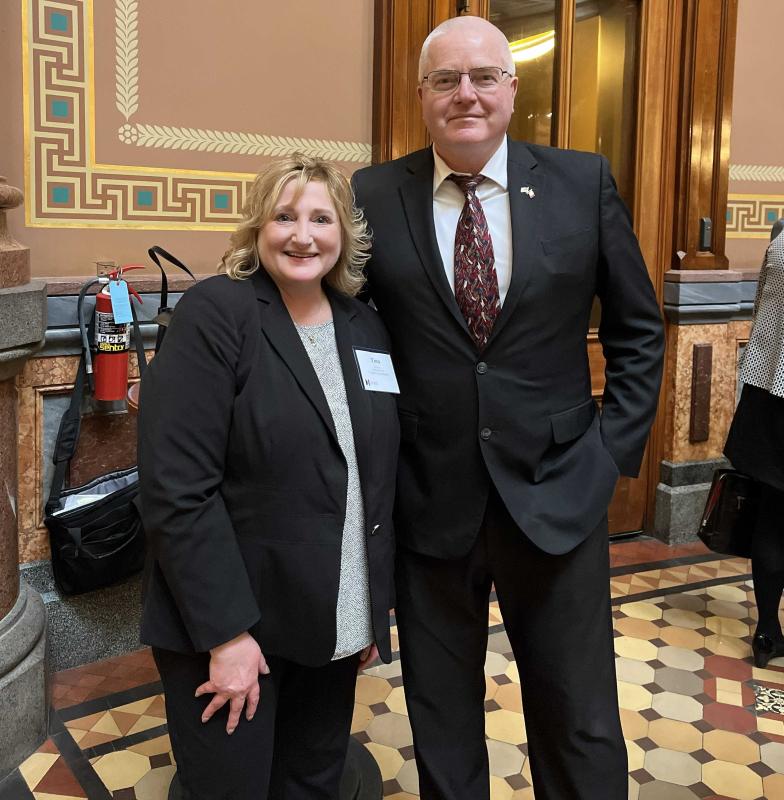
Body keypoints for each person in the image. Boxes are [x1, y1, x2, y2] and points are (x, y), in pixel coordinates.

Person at [352, 15, 664, 800]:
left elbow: (638, 331)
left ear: (511, 89)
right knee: (443, 727)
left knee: (580, 720)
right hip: (430, 506)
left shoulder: (581, 181)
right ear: (420, 93)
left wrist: (606, 458)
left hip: (559, 495)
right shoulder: (371, 195)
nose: (466, 94)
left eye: (483, 77)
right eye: (446, 79)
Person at [136, 154, 399, 799]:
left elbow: (375, 475)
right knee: (233, 786)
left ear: (344, 235)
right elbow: (177, 488)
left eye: (320, 218)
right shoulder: (216, 313)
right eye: (284, 216)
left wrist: (367, 611)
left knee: (313, 779)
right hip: (232, 622)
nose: (302, 235)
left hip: (331, 616)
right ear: (258, 227)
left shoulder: (364, 325)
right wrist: (226, 633)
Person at [724, 223, 784, 669]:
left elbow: (762, 308)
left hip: (769, 394)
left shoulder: (782, 233)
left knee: (772, 516)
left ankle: (766, 631)